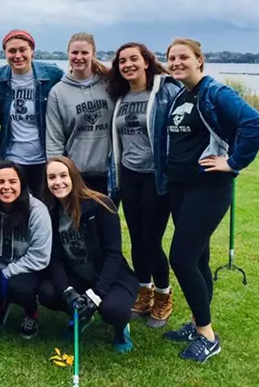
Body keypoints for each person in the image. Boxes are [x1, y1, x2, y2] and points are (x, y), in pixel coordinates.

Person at [159, 38, 259, 363]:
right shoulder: (180, 95)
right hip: (181, 188)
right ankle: (197, 323)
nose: (177, 63)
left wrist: (233, 162)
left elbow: (256, 124)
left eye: (184, 57)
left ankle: (207, 336)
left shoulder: (215, 93)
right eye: (171, 58)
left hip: (207, 189)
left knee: (181, 259)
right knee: (198, 259)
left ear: (200, 61)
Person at [106, 42, 183, 328]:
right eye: (122, 61)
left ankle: (163, 295)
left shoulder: (165, 92)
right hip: (129, 175)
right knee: (137, 239)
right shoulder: (120, 96)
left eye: (133, 59)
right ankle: (144, 291)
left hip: (155, 177)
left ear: (146, 62)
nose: (128, 65)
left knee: (151, 240)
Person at [37, 156, 138, 354]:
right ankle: (82, 316)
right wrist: (68, 291)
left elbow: (114, 254)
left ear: (74, 177)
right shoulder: (51, 212)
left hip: (112, 278)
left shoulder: (102, 204)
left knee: (113, 310)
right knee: (47, 292)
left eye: (63, 175)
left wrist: (96, 295)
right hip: (79, 276)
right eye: (52, 177)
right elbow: (55, 257)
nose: (58, 182)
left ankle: (121, 328)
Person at [0, 161, 52, 339]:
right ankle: (0, 303)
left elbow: (40, 255)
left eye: (13, 181)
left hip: (29, 267)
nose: (6, 187)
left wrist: (8, 273)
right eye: (0, 182)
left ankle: (31, 313)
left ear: (22, 184)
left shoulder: (37, 211)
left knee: (20, 289)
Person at [0, 30, 64, 197]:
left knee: (46, 205)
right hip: (12, 158)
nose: (18, 55)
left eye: (22, 50)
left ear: (32, 51)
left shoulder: (53, 75)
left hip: (44, 157)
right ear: (5, 53)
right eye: (12, 51)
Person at [46, 32, 114, 195]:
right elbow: (54, 138)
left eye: (84, 52)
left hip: (109, 173)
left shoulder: (109, 84)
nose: (79, 57)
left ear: (93, 54)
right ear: (68, 54)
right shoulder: (58, 92)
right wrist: (58, 173)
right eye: (74, 52)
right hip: (76, 174)